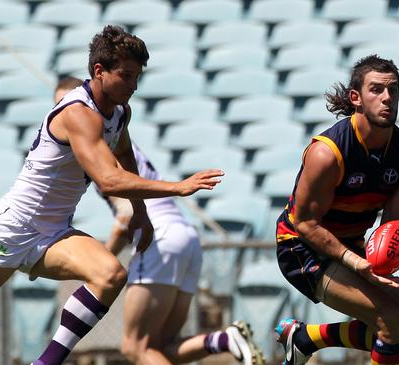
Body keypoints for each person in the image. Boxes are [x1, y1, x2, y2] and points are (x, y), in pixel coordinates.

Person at [0, 25, 224, 365]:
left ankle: (45, 362)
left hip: (55, 230)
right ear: (99, 71)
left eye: (137, 78)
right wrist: (179, 187)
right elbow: (109, 181)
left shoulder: (119, 112)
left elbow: (124, 155)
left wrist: (141, 214)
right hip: (12, 227)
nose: (133, 87)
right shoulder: (78, 113)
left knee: (110, 274)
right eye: (127, 76)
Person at [54, 78, 265, 365]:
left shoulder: (95, 146)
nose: (64, 112)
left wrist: (100, 262)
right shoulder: (116, 136)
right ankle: (222, 340)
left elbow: (126, 216)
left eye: (68, 104)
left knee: (134, 347)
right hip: (186, 237)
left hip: (159, 236)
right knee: (159, 347)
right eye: (57, 107)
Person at [274, 54, 399, 365]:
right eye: (377, 90)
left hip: (351, 248)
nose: (387, 98)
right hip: (301, 249)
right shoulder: (326, 154)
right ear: (355, 98)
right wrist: (354, 262)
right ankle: (305, 338)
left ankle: (306, 338)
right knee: (390, 318)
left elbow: (394, 231)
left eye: (393, 90)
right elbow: (305, 223)